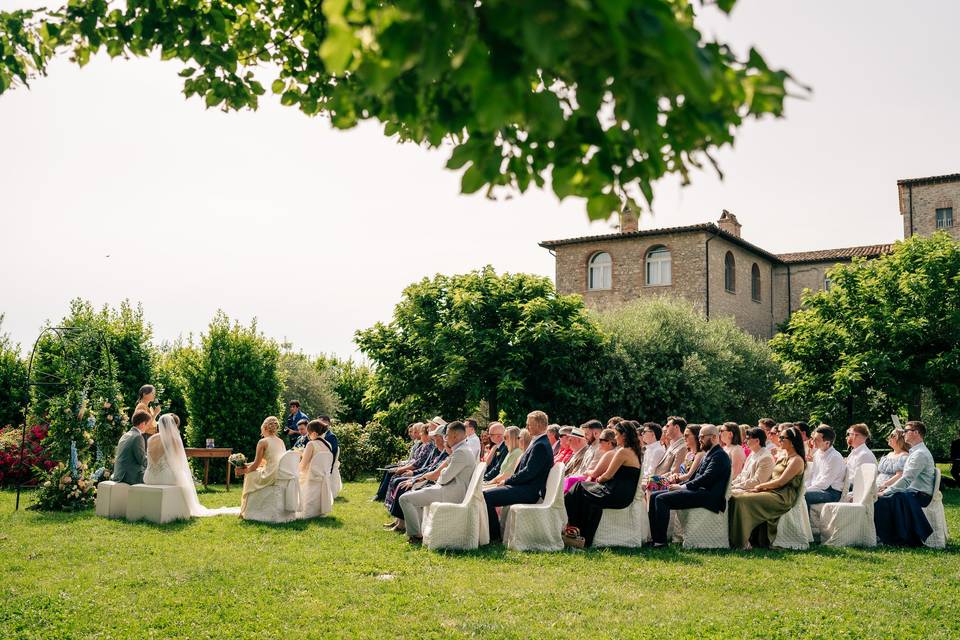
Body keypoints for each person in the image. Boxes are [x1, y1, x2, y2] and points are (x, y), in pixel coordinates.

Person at [647, 425, 732, 547]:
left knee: (661, 499)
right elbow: (695, 478)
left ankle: (660, 541)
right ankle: (655, 539)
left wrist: (682, 488)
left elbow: (706, 478)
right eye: (699, 436)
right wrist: (679, 485)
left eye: (702, 437)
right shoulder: (710, 453)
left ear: (714, 437)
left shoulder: (720, 455)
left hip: (710, 497)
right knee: (654, 495)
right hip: (700, 492)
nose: (700, 439)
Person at [562, 421, 643, 548]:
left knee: (579, 487)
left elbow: (607, 476)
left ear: (624, 436)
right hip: (622, 493)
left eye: (616, 435)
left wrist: (598, 480)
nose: (615, 438)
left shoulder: (623, 452)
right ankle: (575, 530)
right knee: (582, 490)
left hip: (615, 494)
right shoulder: (635, 451)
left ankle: (570, 525)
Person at [728, 426, 807, 549]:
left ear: (792, 441)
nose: (779, 440)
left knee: (741, 500)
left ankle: (742, 541)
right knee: (735, 496)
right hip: (772, 491)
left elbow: (780, 482)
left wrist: (759, 487)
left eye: (782, 437)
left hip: (782, 496)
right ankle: (739, 538)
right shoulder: (783, 457)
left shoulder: (797, 460)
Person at [399, 421, 478, 543]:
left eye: (447, 434)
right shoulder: (460, 449)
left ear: (455, 436)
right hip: (448, 489)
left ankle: (415, 535)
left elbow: (443, 477)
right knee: (413, 493)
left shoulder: (461, 452)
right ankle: (419, 532)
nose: (445, 438)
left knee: (405, 499)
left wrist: (438, 474)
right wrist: (426, 477)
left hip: (451, 492)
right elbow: (439, 471)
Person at [483, 410, 555, 543]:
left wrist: (507, 481)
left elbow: (528, 472)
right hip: (524, 487)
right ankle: (492, 534)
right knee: (485, 493)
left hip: (529, 491)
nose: (527, 427)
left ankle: (494, 536)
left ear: (539, 425)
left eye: (529, 425)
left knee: (486, 496)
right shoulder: (539, 442)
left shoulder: (541, 445)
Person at [147, 414, 239, 516]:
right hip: (165, 478)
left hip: (149, 477)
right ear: (173, 426)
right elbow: (178, 462)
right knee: (183, 476)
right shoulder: (173, 439)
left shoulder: (151, 439)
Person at [874, 421, 937, 546]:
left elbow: (906, 479)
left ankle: (891, 539)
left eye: (906, 431)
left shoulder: (920, 454)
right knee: (884, 498)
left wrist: (886, 491)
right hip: (911, 492)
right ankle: (888, 536)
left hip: (919, 494)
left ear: (916, 433)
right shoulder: (915, 452)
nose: (903, 433)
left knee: (882, 500)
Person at [384, 426, 448, 531]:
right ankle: (399, 521)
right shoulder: (440, 452)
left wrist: (414, 477)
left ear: (441, 438)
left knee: (401, 484)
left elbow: (432, 472)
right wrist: (414, 474)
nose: (433, 439)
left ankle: (401, 524)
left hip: (430, 482)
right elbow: (428, 468)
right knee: (398, 481)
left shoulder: (446, 454)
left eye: (435, 436)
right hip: (424, 477)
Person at [236, 416, 288, 518]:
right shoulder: (280, 441)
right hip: (280, 473)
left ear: (264, 428)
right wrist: (246, 465)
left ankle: (247, 510)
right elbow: (265, 461)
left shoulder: (262, 442)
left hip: (270, 475)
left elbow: (256, 465)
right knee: (253, 471)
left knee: (250, 475)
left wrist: (243, 471)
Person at [298, 420, 334, 518]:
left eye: (309, 435)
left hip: (310, 477)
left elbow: (302, 466)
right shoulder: (328, 444)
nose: (308, 437)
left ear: (314, 433)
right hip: (321, 477)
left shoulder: (311, 444)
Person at [805, 425, 846, 508]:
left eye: (816, 440)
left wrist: (805, 490)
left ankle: (806, 521)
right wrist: (804, 487)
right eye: (813, 438)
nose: (813, 441)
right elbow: (812, 475)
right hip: (819, 489)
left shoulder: (835, 457)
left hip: (832, 492)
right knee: (798, 494)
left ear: (827, 443)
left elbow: (825, 483)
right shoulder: (817, 453)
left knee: (803, 496)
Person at [731, 427, 775, 493]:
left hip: (754, 491)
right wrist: (731, 484)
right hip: (743, 488)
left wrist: (735, 486)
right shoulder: (752, 453)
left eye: (748, 438)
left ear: (757, 441)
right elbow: (742, 475)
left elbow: (757, 481)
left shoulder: (766, 458)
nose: (745, 441)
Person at [113, 410, 151, 485]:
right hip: (129, 476)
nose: (148, 428)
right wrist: (155, 463)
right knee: (155, 477)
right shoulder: (138, 437)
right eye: (148, 425)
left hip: (119, 474)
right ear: (143, 423)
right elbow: (142, 460)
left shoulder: (125, 435)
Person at [845, 423, 878, 490]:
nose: (848, 437)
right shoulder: (855, 452)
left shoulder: (864, 454)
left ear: (857, 435)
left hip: (857, 488)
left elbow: (857, 479)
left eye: (850, 434)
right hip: (850, 485)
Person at [560, 427, 591, 493]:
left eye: (570, 440)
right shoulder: (576, 453)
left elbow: (575, 475)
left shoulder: (584, 455)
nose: (568, 443)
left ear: (578, 440)